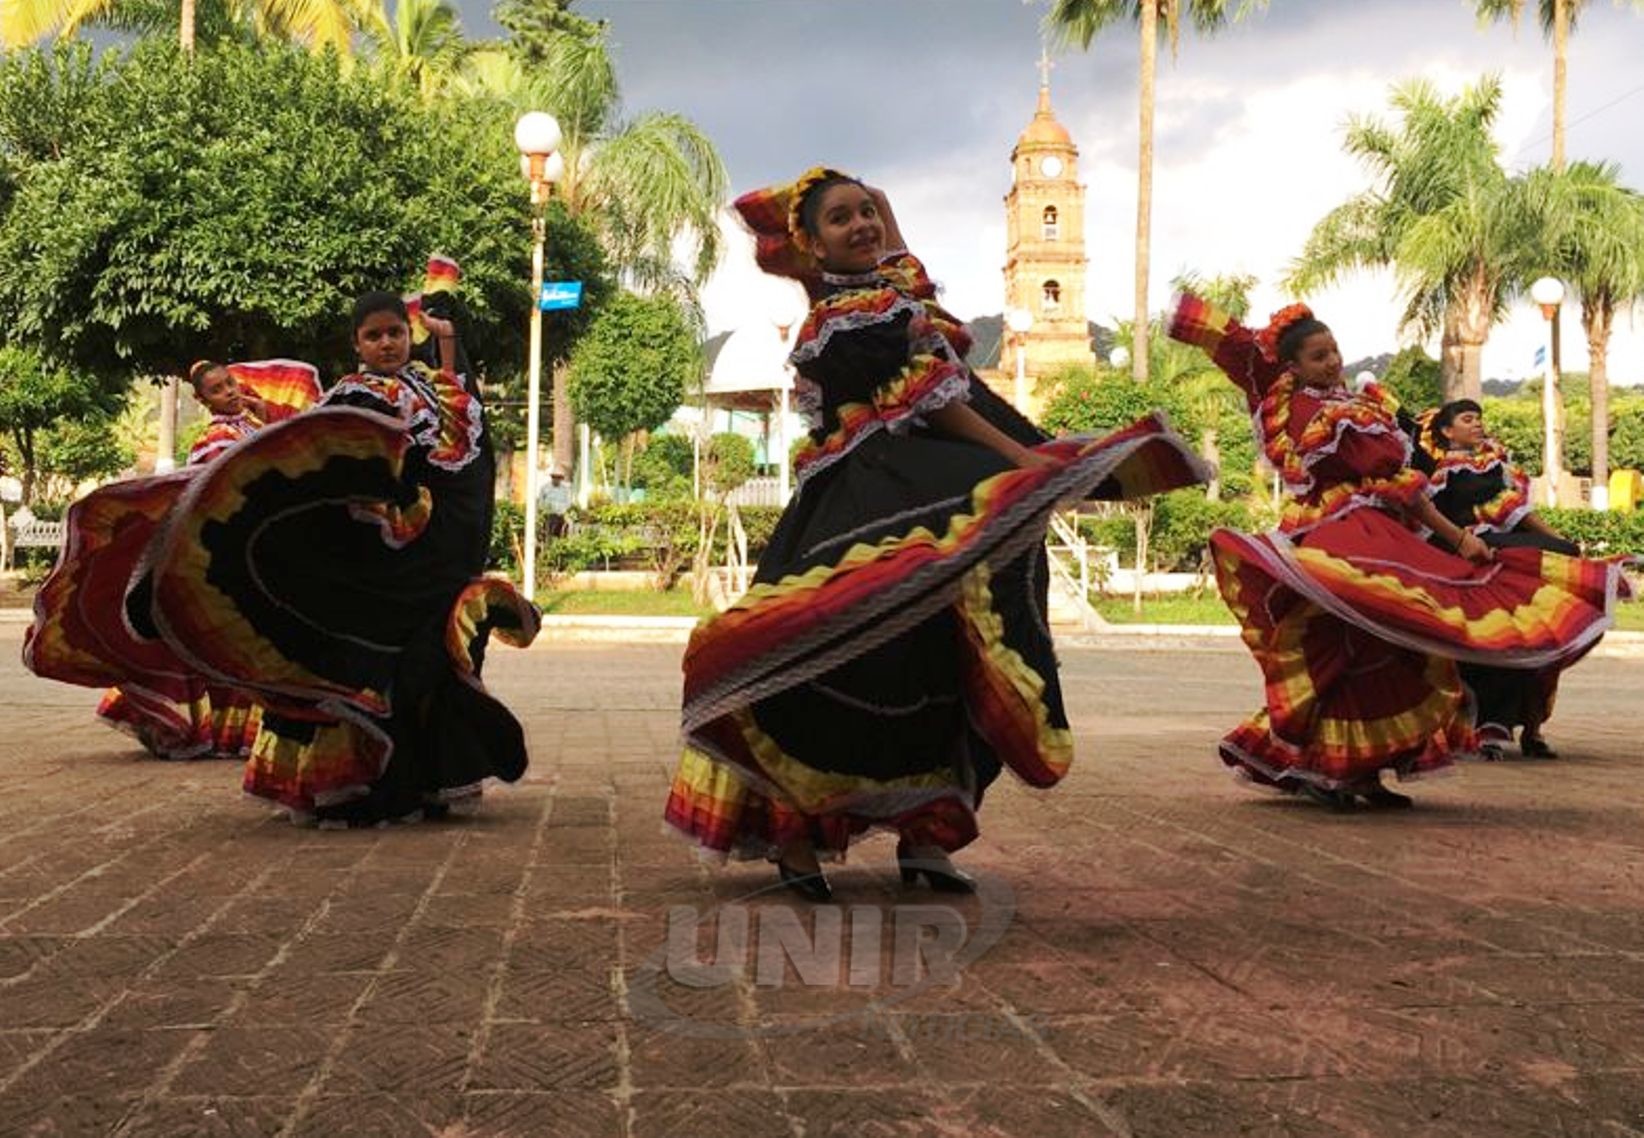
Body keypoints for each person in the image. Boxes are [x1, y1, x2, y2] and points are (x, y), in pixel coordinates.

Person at [664, 168, 1208, 898]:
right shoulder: (846, 316)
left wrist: (878, 208)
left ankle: (928, 837)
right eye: (840, 219)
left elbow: (926, 320)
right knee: (839, 662)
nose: (862, 225)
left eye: (868, 213)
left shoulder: (895, 295)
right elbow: (942, 401)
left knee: (944, 665)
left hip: (923, 499)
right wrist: (1021, 462)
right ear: (812, 244)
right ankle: (797, 841)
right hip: (867, 507)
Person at [1169, 293, 1631, 809]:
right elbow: (1248, 356)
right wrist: (1199, 323)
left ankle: (1360, 773)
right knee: (1349, 646)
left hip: (1382, 536)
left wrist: (1459, 540)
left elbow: (1405, 490)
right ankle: (1326, 770)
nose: (1332, 361)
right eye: (1318, 356)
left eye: (1334, 351)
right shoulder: (1291, 406)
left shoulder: (1363, 408)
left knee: (1396, 646)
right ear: (1294, 366)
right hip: (1333, 537)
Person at [138, 284, 539, 825]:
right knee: (367, 656)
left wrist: (447, 341)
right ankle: (359, 780)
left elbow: (465, 416)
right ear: (357, 343)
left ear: (408, 335)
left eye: (395, 332)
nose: (387, 343)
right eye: (374, 336)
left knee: (434, 652)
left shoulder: (429, 388)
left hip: (436, 552)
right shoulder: (355, 392)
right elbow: (315, 451)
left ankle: (431, 778)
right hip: (378, 558)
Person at [1416, 399, 1582, 760]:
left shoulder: (1493, 463)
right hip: (1469, 567)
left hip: (1500, 562)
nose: (1477, 424)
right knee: (1488, 642)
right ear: (1446, 431)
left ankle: (1530, 724)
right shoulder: (1442, 472)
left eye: (1479, 418)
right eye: (1467, 418)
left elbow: (1516, 512)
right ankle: (1485, 725)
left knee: (1533, 635)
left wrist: (1559, 545)